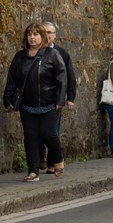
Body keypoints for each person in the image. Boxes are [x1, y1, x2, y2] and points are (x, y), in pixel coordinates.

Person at [4, 23, 67, 181]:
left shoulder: (52, 54)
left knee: (48, 134)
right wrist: (8, 99)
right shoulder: (20, 57)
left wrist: (60, 100)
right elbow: (12, 79)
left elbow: (62, 78)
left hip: (50, 103)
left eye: (36, 34)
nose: (32, 37)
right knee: (30, 136)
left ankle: (58, 159)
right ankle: (33, 171)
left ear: (42, 36)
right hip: (27, 104)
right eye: (29, 34)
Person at [40, 22, 76, 169]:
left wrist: (70, 97)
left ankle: (52, 163)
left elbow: (69, 76)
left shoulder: (62, 53)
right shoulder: (33, 52)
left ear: (55, 35)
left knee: (53, 131)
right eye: (44, 32)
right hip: (37, 98)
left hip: (55, 98)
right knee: (37, 131)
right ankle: (40, 157)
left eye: (50, 32)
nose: (47, 35)